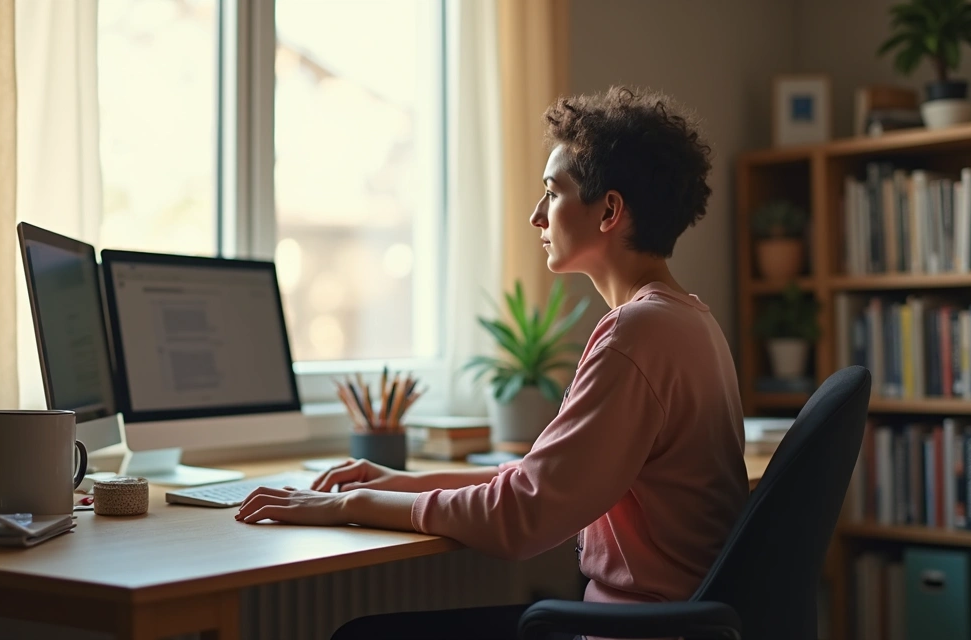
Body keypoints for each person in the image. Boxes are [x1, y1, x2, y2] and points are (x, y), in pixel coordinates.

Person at [235, 86, 749, 640]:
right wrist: (402, 482)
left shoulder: (637, 333)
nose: (536, 216)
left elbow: (520, 519)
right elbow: (543, 483)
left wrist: (350, 506)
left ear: (609, 211)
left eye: (552, 193)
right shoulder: (691, 322)